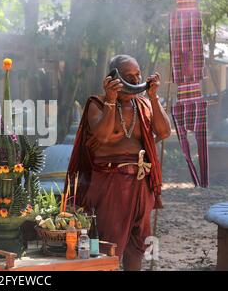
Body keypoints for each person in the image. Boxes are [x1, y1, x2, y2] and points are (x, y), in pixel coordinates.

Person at [65, 55, 171, 271]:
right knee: (108, 244)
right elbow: (103, 135)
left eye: (138, 74)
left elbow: (164, 132)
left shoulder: (144, 104)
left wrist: (153, 97)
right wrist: (111, 99)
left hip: (141, 183)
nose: (136, 79)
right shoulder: (97, 103)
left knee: (138, 244)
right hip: (110, 184)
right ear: (114, 77)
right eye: (129, 75)